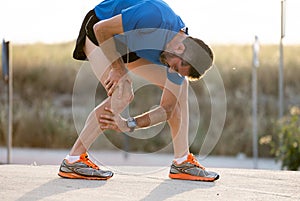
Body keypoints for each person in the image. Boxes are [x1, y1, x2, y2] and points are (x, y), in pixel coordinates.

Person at [58, 0, 219, 182]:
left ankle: (182, 163)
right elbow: (101, 29)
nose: (172, 72)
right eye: (175, 67)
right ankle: (74, 160)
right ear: (180, 48)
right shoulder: (154, 16)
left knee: (180, 87)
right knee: (123, 93)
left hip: (130, 46)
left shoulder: (179, 54)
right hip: (100, 32)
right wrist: (118, 68)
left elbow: (166, 109)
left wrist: (130, 124)